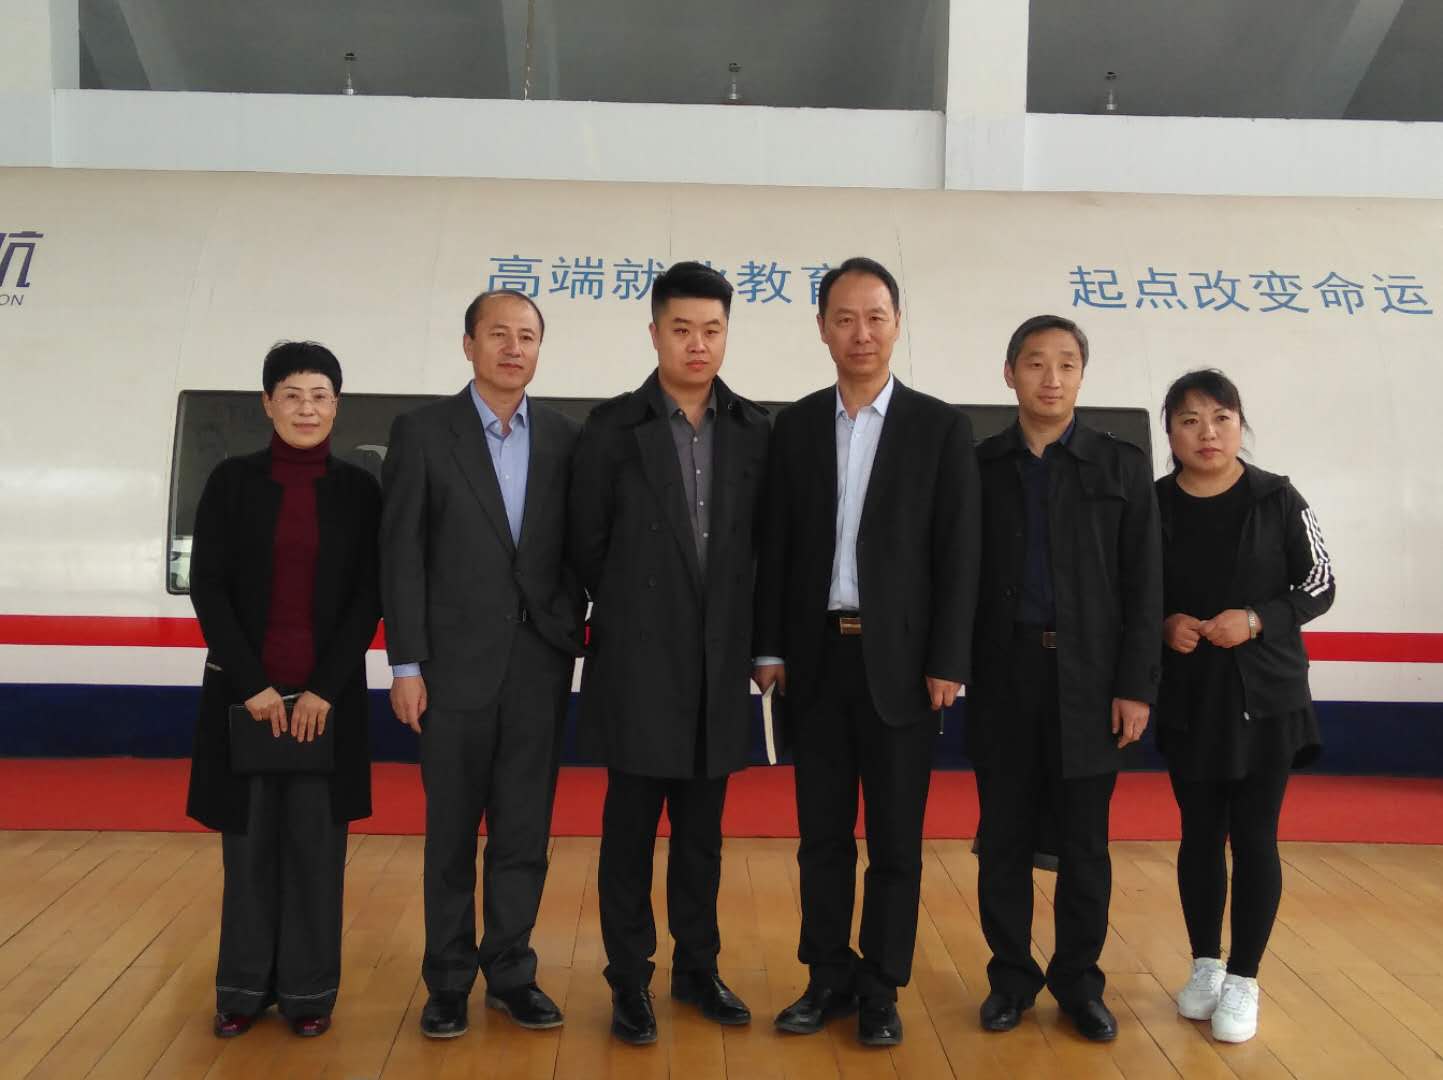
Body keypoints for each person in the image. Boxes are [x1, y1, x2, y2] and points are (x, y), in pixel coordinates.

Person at [753, 256, 981, 1047]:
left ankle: (880, 987)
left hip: (904, 668)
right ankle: (825, 977)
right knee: (820, 838)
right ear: (822, 328)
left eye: (875, 317)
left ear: (896, 324)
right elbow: (775, 548)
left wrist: (948, 659)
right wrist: (767, 647)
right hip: (814, 660)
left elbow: (958, 554)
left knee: (893, 842)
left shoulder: (939, 429)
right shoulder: (794, 426)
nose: (860, 332)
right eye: (844, 318)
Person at [569, 261, 770, 1045]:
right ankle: (629, 979)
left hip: (717, 667)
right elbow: (586, 546)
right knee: (628, 836)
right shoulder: (611, 429)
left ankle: (697, 968)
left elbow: (764, 549)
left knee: (701, 837)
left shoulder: (752, 430)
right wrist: (642, 608)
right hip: (637, 664)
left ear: (727, 334)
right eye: (681, 329)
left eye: (711, 330)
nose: (697, 344)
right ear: (654, 333)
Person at [381, 290, 584, 1038]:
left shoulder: (565, 438)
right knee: (451, 835)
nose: (513, 348)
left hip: (538, 666)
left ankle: (511, 973)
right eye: (498, 334)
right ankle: (446, 981)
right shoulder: (423, 433)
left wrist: (571, 624)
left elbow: (580, 547)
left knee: (524, 831)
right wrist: (406, 664)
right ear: (468, 345)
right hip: (450, 670)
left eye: (527, 336)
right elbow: (400, 553)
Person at [966, 314, 1162, 1042]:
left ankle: (1078, 982)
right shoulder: (980, 466)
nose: (1051, 378)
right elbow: (954, 575)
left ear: (1082, 375)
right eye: (1035, 363)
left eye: (1067, 364)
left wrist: (1136, 685)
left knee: (1085, 845)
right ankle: (1010, 978)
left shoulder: (1119, 465)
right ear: (1009, 373)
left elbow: (1144, 583)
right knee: (1004, 840)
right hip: (1004, 674)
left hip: (1091, 680)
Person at [186, 341, 380, 1039]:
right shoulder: (230, 482)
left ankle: (308, 994)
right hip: (246, 703)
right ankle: (241, 991)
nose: (307, 409)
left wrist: (324, 689)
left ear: (337, 406)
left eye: (320, 396)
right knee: (248, 850)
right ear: (267, 403)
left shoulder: (360, 492)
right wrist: (255, 686)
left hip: (327, 706)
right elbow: (208, 588)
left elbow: (369, 596)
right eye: (292, 395)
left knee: (316, 853)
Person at [1155, 369, 1333, 1043]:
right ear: (1170, 433)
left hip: (1266, 695)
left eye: (1220, 418)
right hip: (1189, 695)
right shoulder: (1151, 504)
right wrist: (1162, 624)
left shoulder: (1276, 497)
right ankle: (1204, 965)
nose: (1206, 432)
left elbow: (1319, 582)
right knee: (1199, 834)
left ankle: (1243, 978)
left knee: (1255, 836)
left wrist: (1256, 620)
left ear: (1239, 425)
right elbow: (1125, 587)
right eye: (1189, 420)